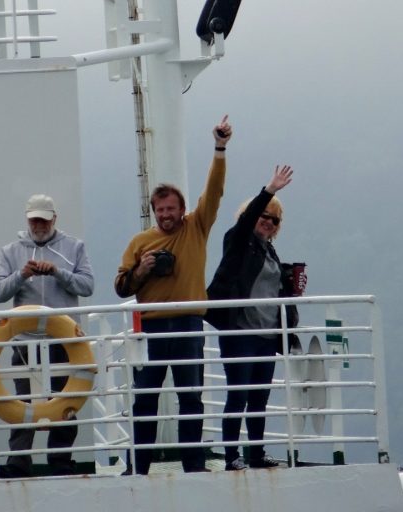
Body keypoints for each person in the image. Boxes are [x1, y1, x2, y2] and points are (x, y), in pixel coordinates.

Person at [113, 116, 232, 475]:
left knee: (190, 398)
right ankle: (138, 466)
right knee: (145, 399)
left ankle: (194, 466)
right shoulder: (140, 242)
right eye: (160, 210)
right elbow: (120, 287)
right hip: (150, 327)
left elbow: (214, 192)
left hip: (188, 324)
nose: (166, 215)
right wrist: (142, 270)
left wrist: (220, 148)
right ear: (154, 212)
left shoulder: (196, 227)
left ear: (182, 210)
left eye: (172, 209)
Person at [0, 194, 95, 477]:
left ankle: (60, 460)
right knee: (22, 403)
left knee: (66, 401)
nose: (39, 224)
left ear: (54, 218)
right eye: (34, 219)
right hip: (26, 342)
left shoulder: (74, 247)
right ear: (27, 219)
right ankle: (18, 463)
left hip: (64, 342)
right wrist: (21, 275)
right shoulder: (11, 251)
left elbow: (88, 286)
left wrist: (59, 273)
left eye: (43, 219)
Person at [204, 165, 299, 471]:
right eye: (264, 216)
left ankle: (255, 454)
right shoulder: (238, 240)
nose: (269, 222)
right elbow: (246, 223)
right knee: (238, 395)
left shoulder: (270, 253)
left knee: (259, 398)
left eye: (275, 220)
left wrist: (293, 288)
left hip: (266, 335)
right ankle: (232, 455)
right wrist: (269, 190)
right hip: (240, 332)